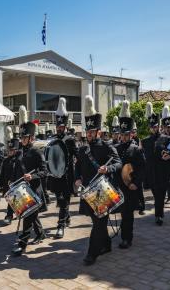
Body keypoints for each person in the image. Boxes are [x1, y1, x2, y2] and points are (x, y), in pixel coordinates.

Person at [75, 96, 122, 265]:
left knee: (99, 222)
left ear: (98, 132)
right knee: (98, 220)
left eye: (92, 132)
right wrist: (77, 180)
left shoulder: (107, 146)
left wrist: (107, 168)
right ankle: (107, 244)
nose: (88, 135)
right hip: (88, 191)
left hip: (102, 190)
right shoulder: (82, 150)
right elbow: (78, 168)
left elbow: (118, 163)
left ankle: (92, 253)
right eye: (87, 132)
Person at [11, 105, 48, 256]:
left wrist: (32, 176)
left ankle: (22, 244)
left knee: (27, 216)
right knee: (32, 215)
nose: (22, 139)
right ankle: (40, 234)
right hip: (22, 189)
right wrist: (12, 181)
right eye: (21, 137)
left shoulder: (37, 152)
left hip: (35, 190)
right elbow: (17, 169)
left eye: (25, 137)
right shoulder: (19, 152)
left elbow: (45, 171)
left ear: (31, 138)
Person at [115, 101, 146, 249]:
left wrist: (136, 182)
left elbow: (142, 168)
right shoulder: (115, 148)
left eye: (126, 135)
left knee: (128, 214)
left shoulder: (136, 149)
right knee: (122, 213)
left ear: (131, 134)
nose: (124, 137)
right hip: (117, 187)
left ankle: (127, 238)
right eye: (122, 135)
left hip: (130, 185)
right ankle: (124, 235)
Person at [48, 98, 78, 239]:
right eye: (58, 126)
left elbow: (77, 155)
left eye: (62, 127)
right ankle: (66, 217)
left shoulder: (71, 139)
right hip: (55, 175)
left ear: (65, 126)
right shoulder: (52, 139)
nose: (60, 128)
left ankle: (60, 226)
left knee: (64, 200)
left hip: (67, 175)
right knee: (60, 200)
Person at [141, 102, 160, 211]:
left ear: (158, 126)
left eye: (155, 127)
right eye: (152, 127)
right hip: (151, 172)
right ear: (149, 128)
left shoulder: (165, 138)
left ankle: (159, 215)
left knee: (160, 195)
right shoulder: (145, 141)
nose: (154, 129)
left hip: (162, 173)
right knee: (156, 194)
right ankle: (158, 214)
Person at [1, 126, 21, 225]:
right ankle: (12, 214)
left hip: (17, 183)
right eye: (9, 150)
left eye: (12, 150)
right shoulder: (6, 160)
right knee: (11, 200)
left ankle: (9, 215)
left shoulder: (18, 160)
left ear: (16, 150)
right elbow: (3, 172)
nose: (9, 152)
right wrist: (0, 183)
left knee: (12, 200)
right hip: (8, 183)